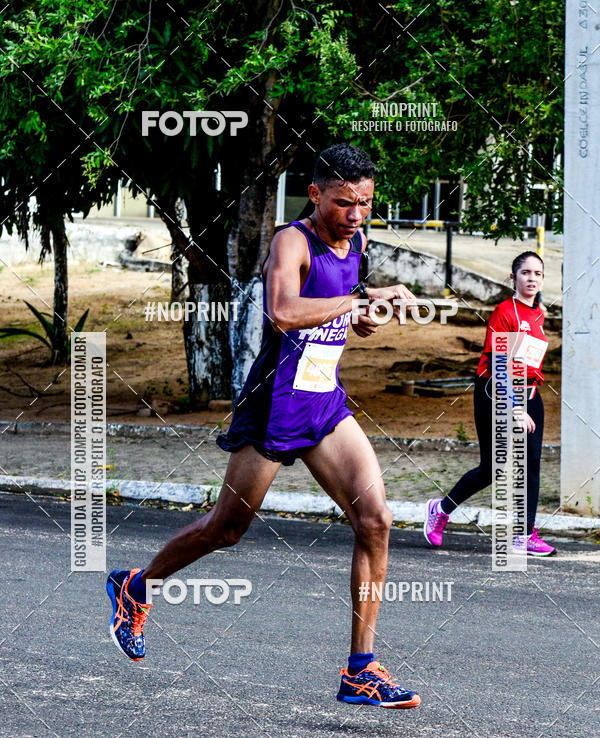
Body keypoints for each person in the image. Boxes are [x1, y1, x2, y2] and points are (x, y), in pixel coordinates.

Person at [107, 143, 422, 708]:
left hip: (324, 401)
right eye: (345, 203)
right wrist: (353, 304)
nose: (356, 215)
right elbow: (283, 310)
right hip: (276, 402)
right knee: (227, 529)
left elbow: (336, 309)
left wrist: (368, 308)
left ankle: (360, 667)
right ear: (317, 193)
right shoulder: (290, 240)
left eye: (366, 204)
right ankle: (136, 586)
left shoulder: (358, 242)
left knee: (375, 520)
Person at [423, 251, 556, 556]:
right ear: (513, 278)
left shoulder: (539, 314)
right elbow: (498, 368)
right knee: (493, 468)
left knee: (531, 463)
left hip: (530, 393)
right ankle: (441, 509)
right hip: (495, 393)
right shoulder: (503, 313)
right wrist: (515, 408)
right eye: (525, 273)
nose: (532, 279)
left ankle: (524, 535)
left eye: (537, 274)